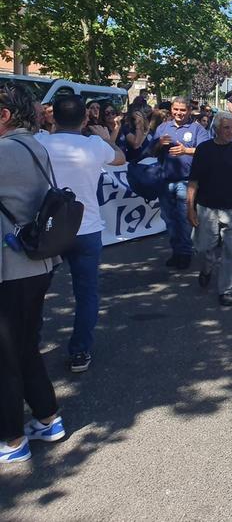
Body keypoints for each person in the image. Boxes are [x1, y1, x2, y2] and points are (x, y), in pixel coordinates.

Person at [0, 83, 66, 464]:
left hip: (10, 267)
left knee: (6, 354)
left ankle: (11, 439)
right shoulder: (35, 145)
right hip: (37, 261)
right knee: (24, 346)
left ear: (5, 115)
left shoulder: (6, 151)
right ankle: (47, 417)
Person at [36, 94, 126, 373]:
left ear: (54, 117)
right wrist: (106, 137)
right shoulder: (94, 145)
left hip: (48, 228)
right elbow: (121, 158)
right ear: (86, 119)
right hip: (86, 229)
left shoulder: (39, 142)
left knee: (35, 291)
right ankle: (79, 351)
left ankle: (29, 344)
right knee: (86, 294)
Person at [187, 112, 232, 307]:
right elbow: (193, 181)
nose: (230, 132)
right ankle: (206, 269)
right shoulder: (203, 150)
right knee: (204, 248)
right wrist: (189, 208)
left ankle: (226, 290)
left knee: (231, 252)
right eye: (226, 128)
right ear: (216, 129)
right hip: (206, 208)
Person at [151, 96, 210, 269]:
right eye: (176, 109)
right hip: (165, 181)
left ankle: (185, 253)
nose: (178, 113)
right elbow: (151, 152)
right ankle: (176, 251)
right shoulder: (163, 127)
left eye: (182, 110)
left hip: (187, 182)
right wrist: (159, 143)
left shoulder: (197, 129)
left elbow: (205, 151)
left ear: (189, 111)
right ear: (171, 110)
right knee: (169, 219)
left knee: (184, 220)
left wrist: (186, 150)